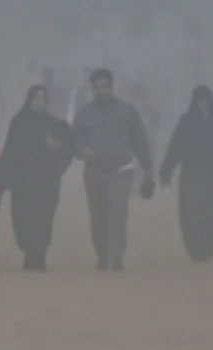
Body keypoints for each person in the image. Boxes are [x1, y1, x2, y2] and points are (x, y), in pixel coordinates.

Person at [0, 85, 74, 270]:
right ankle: (28, 249)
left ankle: (38, 255)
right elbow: (8, 152)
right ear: (29, 99)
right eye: (36, 97)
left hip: (46, 183)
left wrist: (56, 153)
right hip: (22, 183)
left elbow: (68, 149)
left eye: (43, 97)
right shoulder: (19, 123)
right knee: (22, 219)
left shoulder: (54, 124)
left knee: (44, 219)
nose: (40, 101)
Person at [73, 68, 155, 271]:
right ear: (92, 89)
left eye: (105, 87)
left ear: (112, 87)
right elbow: (74, 141)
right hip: (94, 173)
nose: (102, 91)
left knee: (117, 211)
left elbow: (140, 140)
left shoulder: (127, 112)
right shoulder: (84, 114)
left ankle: (116, 254)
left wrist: (148, 168)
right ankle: (102, 254)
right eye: (97, 88)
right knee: (98, 215)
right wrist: (82, 150)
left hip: (121, 171)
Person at [159, 85, 213, 262]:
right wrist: (166, 170)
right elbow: (175, 147)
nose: (203, 105)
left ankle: (208, 245)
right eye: (200, 101)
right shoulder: (187, 121)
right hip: (191, 175)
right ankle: (194, 248)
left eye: (206, 101)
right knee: (190, 214)